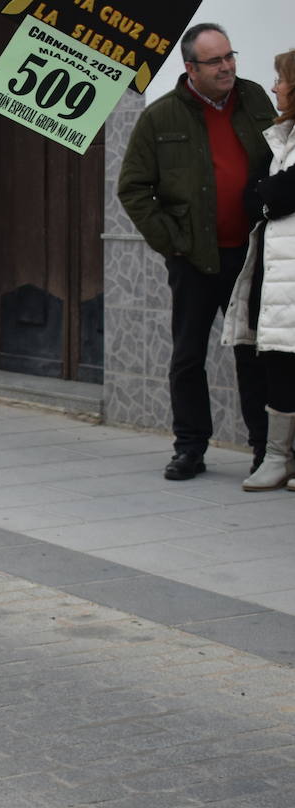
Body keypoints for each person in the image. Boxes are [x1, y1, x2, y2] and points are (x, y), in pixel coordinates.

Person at [119, 23, 277, 481]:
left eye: (230, 56)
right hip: (193, 259)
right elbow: (132, 187)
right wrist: (173, 244)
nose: (227, 66)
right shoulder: (161, 116)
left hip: (249, 257)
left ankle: (265, 450)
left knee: (252, 354)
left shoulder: (255, 101)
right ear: (191, 68)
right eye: (216, 61)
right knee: (188, 356)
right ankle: (190, 447)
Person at [223, 50, 295, 491]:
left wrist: (269, 196)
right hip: (278, 273)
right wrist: (269, 196)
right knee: (278, 362)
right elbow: (258, 197)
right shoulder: (281, 137)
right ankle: (277, 458)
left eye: (280, 79)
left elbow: (280, 195)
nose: (273, 88)